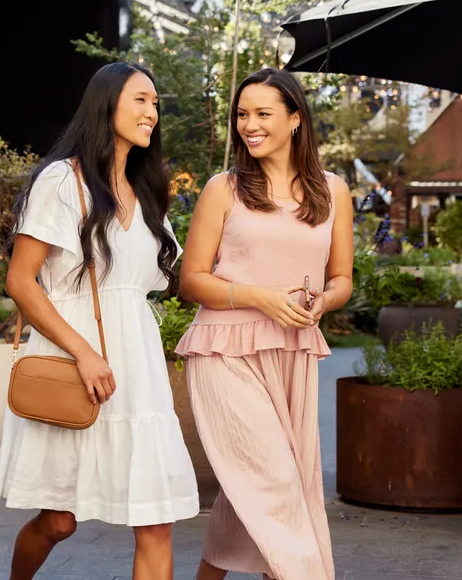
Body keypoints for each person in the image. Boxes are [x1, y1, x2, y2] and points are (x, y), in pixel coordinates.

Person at [0, 61, 199, 580]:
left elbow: (160, 279)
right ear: (106, 106)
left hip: (137, 363)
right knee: (59, 521)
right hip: (72, 354)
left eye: (156, 104)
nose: (153, 112)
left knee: (156, 519)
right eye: (141, 100)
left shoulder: (147, 190)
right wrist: (84, 353)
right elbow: (21, 281)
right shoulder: (62, 181)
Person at [174, 67, 353, 580]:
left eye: (262, 114)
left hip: (293, 350)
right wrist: (261, 297)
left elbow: (341, 278)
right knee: (275, 484)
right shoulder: (223, 188)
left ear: (295, 118)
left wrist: (323, 302)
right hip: (223, 353)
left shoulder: (333, 190)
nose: (248, 125)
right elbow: (192, 280)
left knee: (256, 487)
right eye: (242, 115)